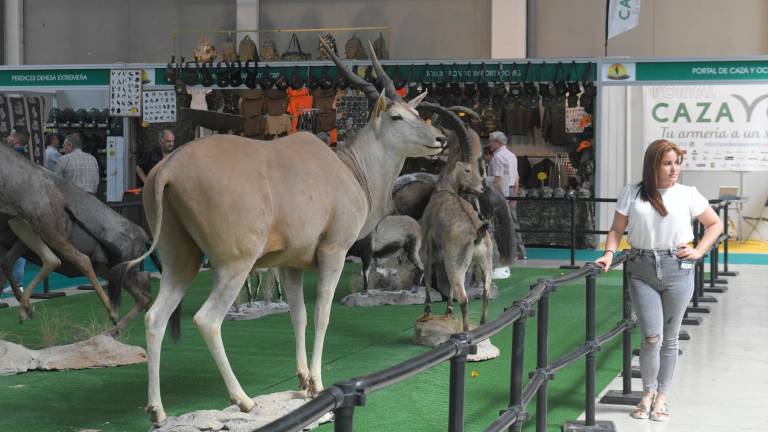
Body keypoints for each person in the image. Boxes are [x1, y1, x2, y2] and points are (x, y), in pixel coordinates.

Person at [595, 139, 722, 422]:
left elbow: (715, 224)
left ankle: (662, 396)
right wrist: (608, 254)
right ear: (653, 164)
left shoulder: (688, 194)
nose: (674, 168)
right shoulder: (632, 192)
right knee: (652, 337)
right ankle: (647, 393)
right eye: (667, 163)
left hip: (678, 268)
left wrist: (699, 250)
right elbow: (617, 229)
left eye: (677, 162)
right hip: (641, 270)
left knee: (670, 338)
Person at [485, 130, 527, 260]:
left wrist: (491, 196)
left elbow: (498, 178)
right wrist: (515, 194)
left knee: (501, 222)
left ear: (497, 142)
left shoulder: (498, 157)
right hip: (511, 189)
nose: (489, 144)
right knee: (513, 221)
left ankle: (506, 253)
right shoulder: (512, 155)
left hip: (501, 191)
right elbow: (516, 177)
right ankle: (520, 252)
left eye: (491, 141)